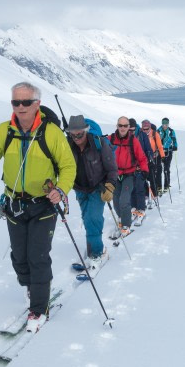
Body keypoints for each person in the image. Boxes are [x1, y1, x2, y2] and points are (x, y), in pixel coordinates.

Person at [0, 82, 76, 332]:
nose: (21, 107)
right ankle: (31, 286)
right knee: (19, 257)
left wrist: (60, 190)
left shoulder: (51, 133)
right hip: (13, 205)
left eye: (26, 102)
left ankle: (39, 307)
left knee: (38, 256)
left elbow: (68, 167)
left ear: (37, 103)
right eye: (16, 102)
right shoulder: (4, 131)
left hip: (44, 204)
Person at [65, 115, 118, 268]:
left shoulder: (99, 143)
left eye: (79, 134)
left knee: (93, 218)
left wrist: (110, 186)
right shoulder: (67, 146)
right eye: (72, 134)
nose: (76, 138)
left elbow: (112, 168)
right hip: (80, 189)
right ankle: (92, 249)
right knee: (87, 218)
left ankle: (97, 253)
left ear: (86, 131)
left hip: (98, 188)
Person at [108, 116, 148, 238]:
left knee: (124, 200)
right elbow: (100, 149)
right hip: (115, 174)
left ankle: (126, 225)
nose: (123, 128)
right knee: (115, 200)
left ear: (128, 127)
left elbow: (141, 156)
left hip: (129, 174)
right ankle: (121, 217)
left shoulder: (133, 140)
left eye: (125, 126)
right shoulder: (111, 139)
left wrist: (145, 169)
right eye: (120, 125)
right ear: (117, 126)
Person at [128, 118, 153, 222]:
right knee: (131, 188)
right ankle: (133, 207)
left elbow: (148, 149)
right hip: (129, 167)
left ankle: (141, 209)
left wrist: (149, 156)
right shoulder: (125, 137)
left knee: (139, 188)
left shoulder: (142, 135)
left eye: (132, 130)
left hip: (140, 165)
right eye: (129, 130)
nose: (131, 132)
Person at [140, 119, 165, 205]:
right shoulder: (139, 134)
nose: (146, 130)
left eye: (147, 129)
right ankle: (146, 194)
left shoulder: (154, 134)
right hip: (142, 158)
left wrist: (162, 156)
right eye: (144, 129)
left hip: (153, 157)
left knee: (152, 176)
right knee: (143, 177)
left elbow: (160, 146)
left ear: (150, 128)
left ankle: (154, 194)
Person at [158, 117, 178, 193]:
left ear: (168, 124)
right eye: (163, 124)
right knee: (159, 169)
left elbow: (174, 139)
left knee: (166, 168)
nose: (165, 125)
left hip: (168, 151)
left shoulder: (171, 131)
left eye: (166, 124)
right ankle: (158, 186)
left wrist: (175, 146)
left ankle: (166, 185)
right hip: (160, 151)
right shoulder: (158, 131)